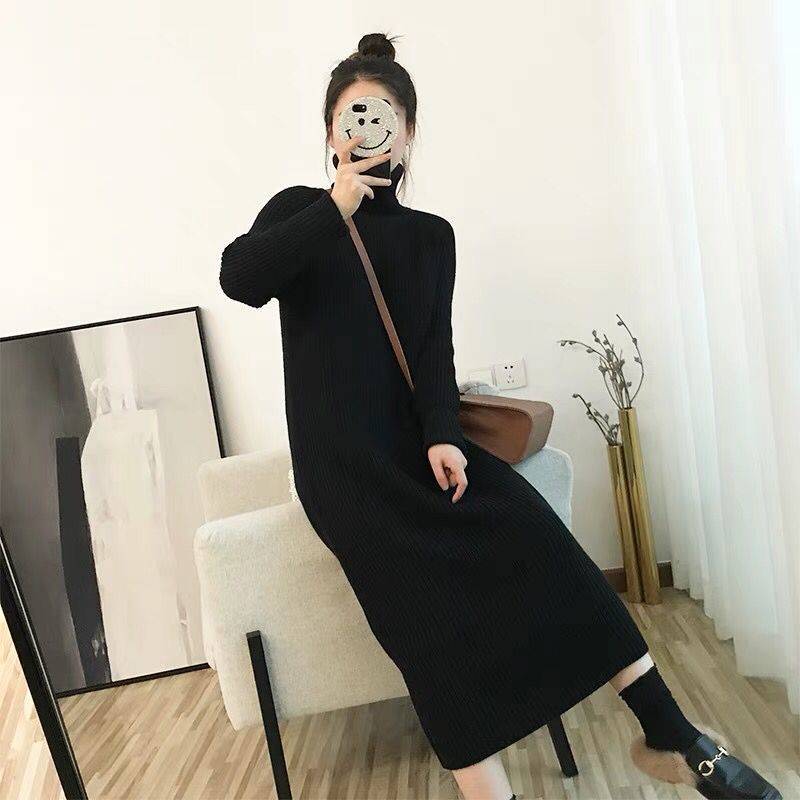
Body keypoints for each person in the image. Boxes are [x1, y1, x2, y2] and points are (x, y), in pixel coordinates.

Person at [219, 31, 781, 800]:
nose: (368, 128)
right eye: (352, 115)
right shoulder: (299, 214)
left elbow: (432, 354)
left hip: (418, 450)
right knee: (427, 637)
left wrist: (444, 437)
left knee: (547, 546)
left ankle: (673, 738)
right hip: (344, 473)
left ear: (408, 132)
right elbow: (240, 279)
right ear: (330, 133)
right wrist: (335, 206)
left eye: (382, 115)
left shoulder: (431, 238)